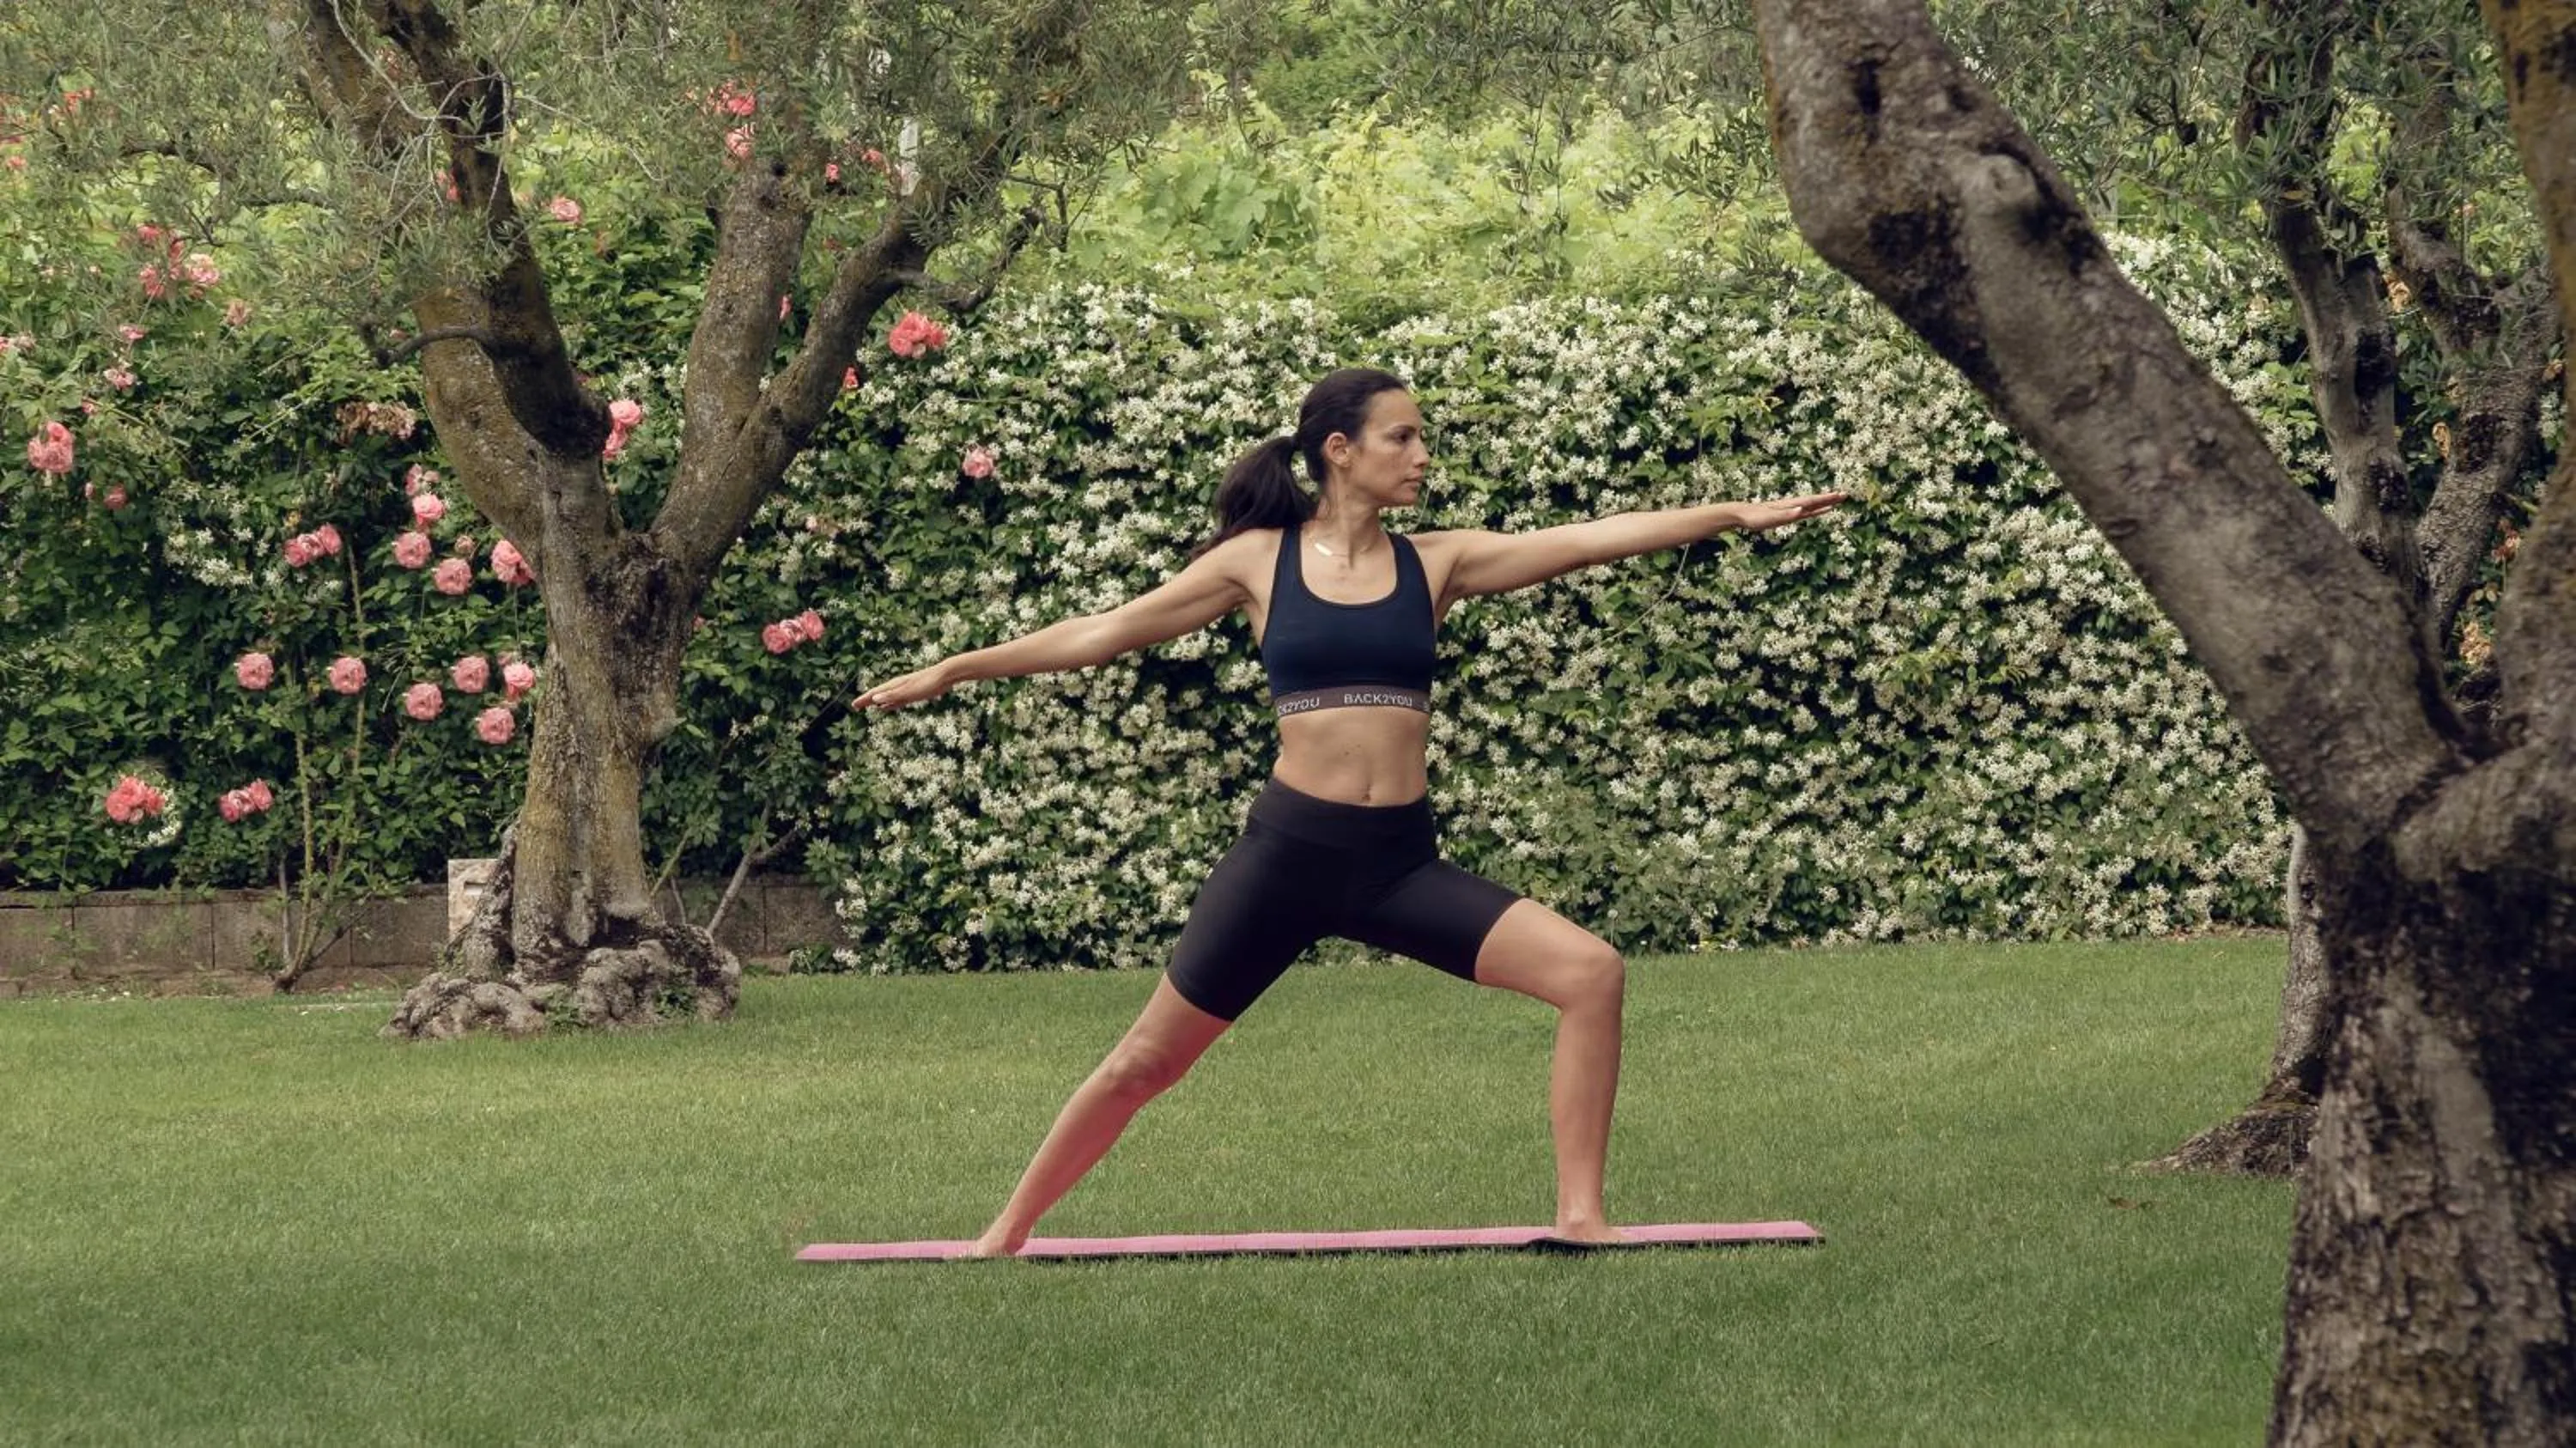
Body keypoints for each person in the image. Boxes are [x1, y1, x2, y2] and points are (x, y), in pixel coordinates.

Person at [854, 367, 1846, 1257]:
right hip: (1289, 856)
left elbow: (1582, 542)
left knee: (1591, 973)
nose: (1422, 455)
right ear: (1341, 451)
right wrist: (954, 669)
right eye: (1401, 438)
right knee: (1145, 1062)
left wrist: (1735, 515)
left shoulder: (1439, 562)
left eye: (1422, 438)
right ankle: (1006, 1234)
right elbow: (1103, 632)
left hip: (1399, 865)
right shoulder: (1256, 563)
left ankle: (1582, 1215)